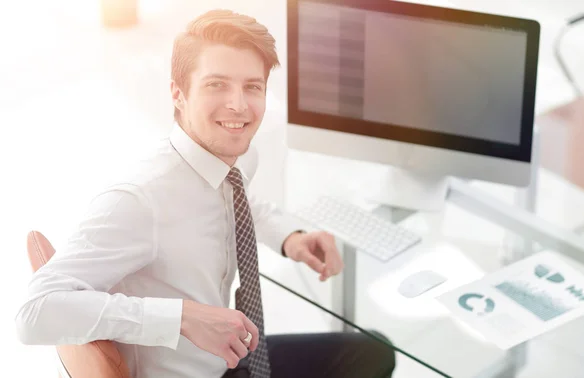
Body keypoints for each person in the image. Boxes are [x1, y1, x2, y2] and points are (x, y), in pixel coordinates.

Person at [15, 9, 396, 378]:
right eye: (217, 85)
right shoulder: (139, 200)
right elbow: (34, 313)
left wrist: (289, 238)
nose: (239, 105)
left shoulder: (238, 155)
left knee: (374, 352)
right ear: (178, 94)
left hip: (234, 358)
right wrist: (181, 317)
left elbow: (240, 203)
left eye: (253, 87)